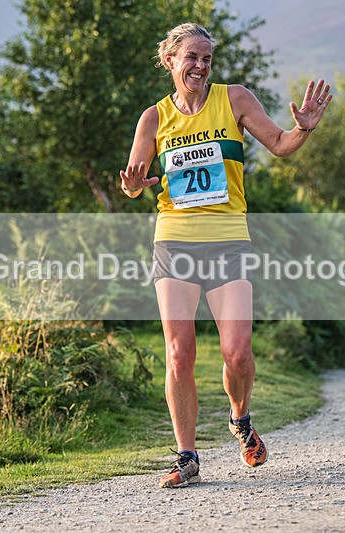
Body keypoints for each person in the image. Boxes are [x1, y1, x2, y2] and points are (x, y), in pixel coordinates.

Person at [119, 22, 331, 489]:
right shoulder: (153, 119)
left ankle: (240, 419)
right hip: (174, 240)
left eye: (206, 58)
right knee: (180, 353)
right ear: (170, 61)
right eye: (191, 57)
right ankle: (187, 456)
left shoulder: (233, 99)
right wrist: (133, 186)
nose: (199, 66)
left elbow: (279, 145)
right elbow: (133, 181)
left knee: (237, 353)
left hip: (229, 239)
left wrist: (303, 129)